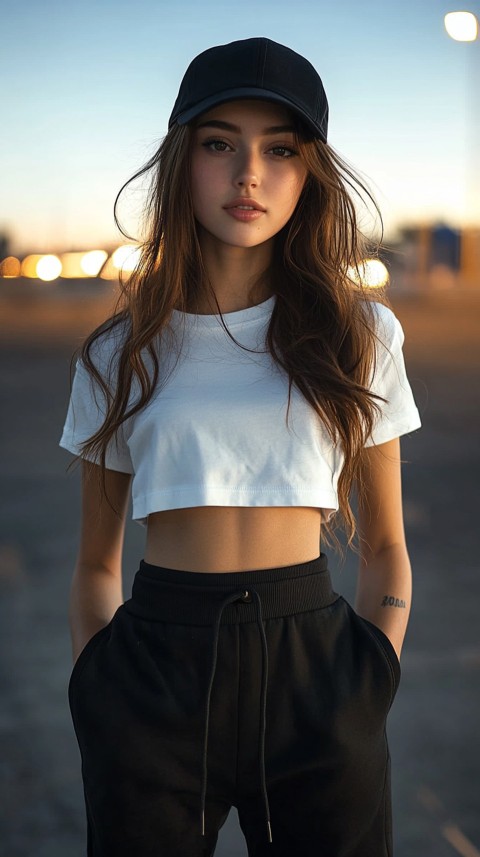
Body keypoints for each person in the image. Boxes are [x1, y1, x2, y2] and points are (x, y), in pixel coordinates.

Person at [59, 37, 421, 857]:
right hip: (153, 667)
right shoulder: (121, 352)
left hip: (317, 668)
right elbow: (94, 564)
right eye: (220, 143)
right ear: (182, 161)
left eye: (279, 150)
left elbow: (389, 544)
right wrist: (98, 688)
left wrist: (374, 671)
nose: (247, 174)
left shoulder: (359, 334)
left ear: (310, 172)